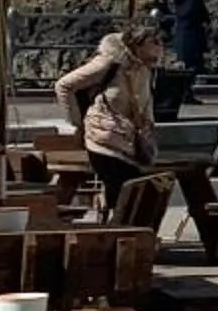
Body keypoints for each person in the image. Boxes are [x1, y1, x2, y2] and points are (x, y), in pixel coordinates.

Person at [55, 23, 162, 214]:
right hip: (103, 139)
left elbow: (146, 101)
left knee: (141, 194)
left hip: (130, 140)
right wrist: (78, 122)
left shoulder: (144, 70)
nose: (160, 47)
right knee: (126, 191)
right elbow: (64, 86)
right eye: (154, 42)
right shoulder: (108, 63)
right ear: (137, 45)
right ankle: (120, 233)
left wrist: (148, 125)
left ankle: (126, 232)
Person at [164, 0, 211, 75]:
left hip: (180, 34)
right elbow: (204, 17)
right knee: (196, 66)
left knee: (183, 66)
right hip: (195, 35)